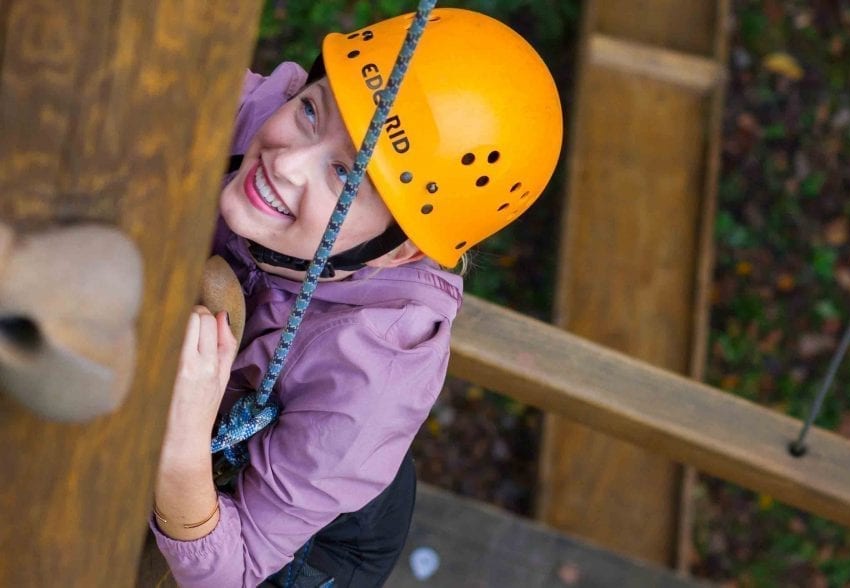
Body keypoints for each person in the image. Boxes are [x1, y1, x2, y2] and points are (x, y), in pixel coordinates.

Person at [150, 7, 562, 587]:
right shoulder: (261, 118)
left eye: (346, 176)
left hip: (311, 542)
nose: (286, 162)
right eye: (313, 110)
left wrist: (183, 449)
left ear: (401, 251)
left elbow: (234, 572)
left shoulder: (371, 374)